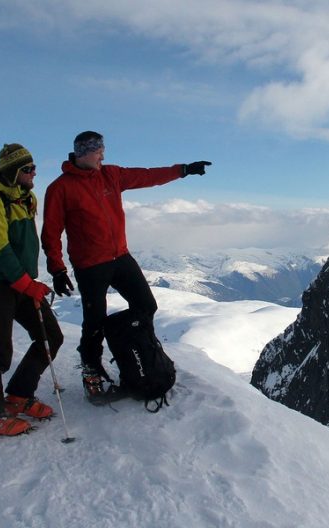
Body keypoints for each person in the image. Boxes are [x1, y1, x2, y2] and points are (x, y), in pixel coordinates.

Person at [41, 130, 210, 404]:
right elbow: (50, 232)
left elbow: (147, 176)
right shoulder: (60, 188)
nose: (103, 156)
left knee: (146, 306)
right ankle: (91, 373)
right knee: (94, 322)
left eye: (102, 151)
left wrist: (183, 170)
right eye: (98, 152)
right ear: (84, 153)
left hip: (120, 257)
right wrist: (57, 269)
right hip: (90, 265)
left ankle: (143, 354)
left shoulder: (112, 175)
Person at [0, 143, 64, 438]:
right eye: (28, 169)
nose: (34, 172)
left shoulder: (26, 198)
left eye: (33, 167)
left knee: (51, 336)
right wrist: (27, 283)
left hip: (22, 281)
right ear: (14, 172)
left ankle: (18, 396)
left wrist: (29, 280)